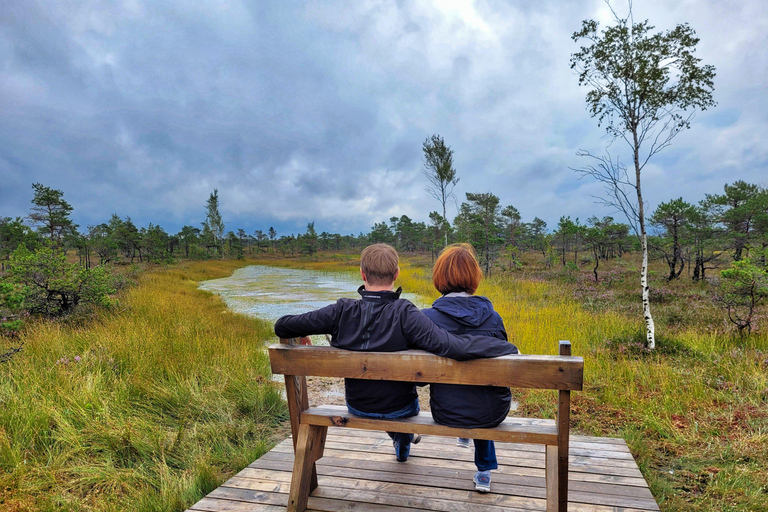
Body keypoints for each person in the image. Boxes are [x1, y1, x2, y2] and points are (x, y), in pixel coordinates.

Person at [274, 243, 516, 463]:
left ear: (362, 274)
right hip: (401, 408)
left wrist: (302, 332)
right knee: (400, 404)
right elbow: (451, 346)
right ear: (397, 273)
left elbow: (282, 325)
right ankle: (403, 440)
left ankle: (402, 441)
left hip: (356, 406)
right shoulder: (406, 313)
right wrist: (504, 347)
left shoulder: (340, 311)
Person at [422, 243, 519, 493]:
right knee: (483, 396)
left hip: (447, 411)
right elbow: (503, 368)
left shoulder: (427, 319)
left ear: (439, 277)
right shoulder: (494, 318)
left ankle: (463, 434)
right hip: (492, 413)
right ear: (474, 277)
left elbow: (419, 378)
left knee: (466, 396)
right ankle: (484, 471)